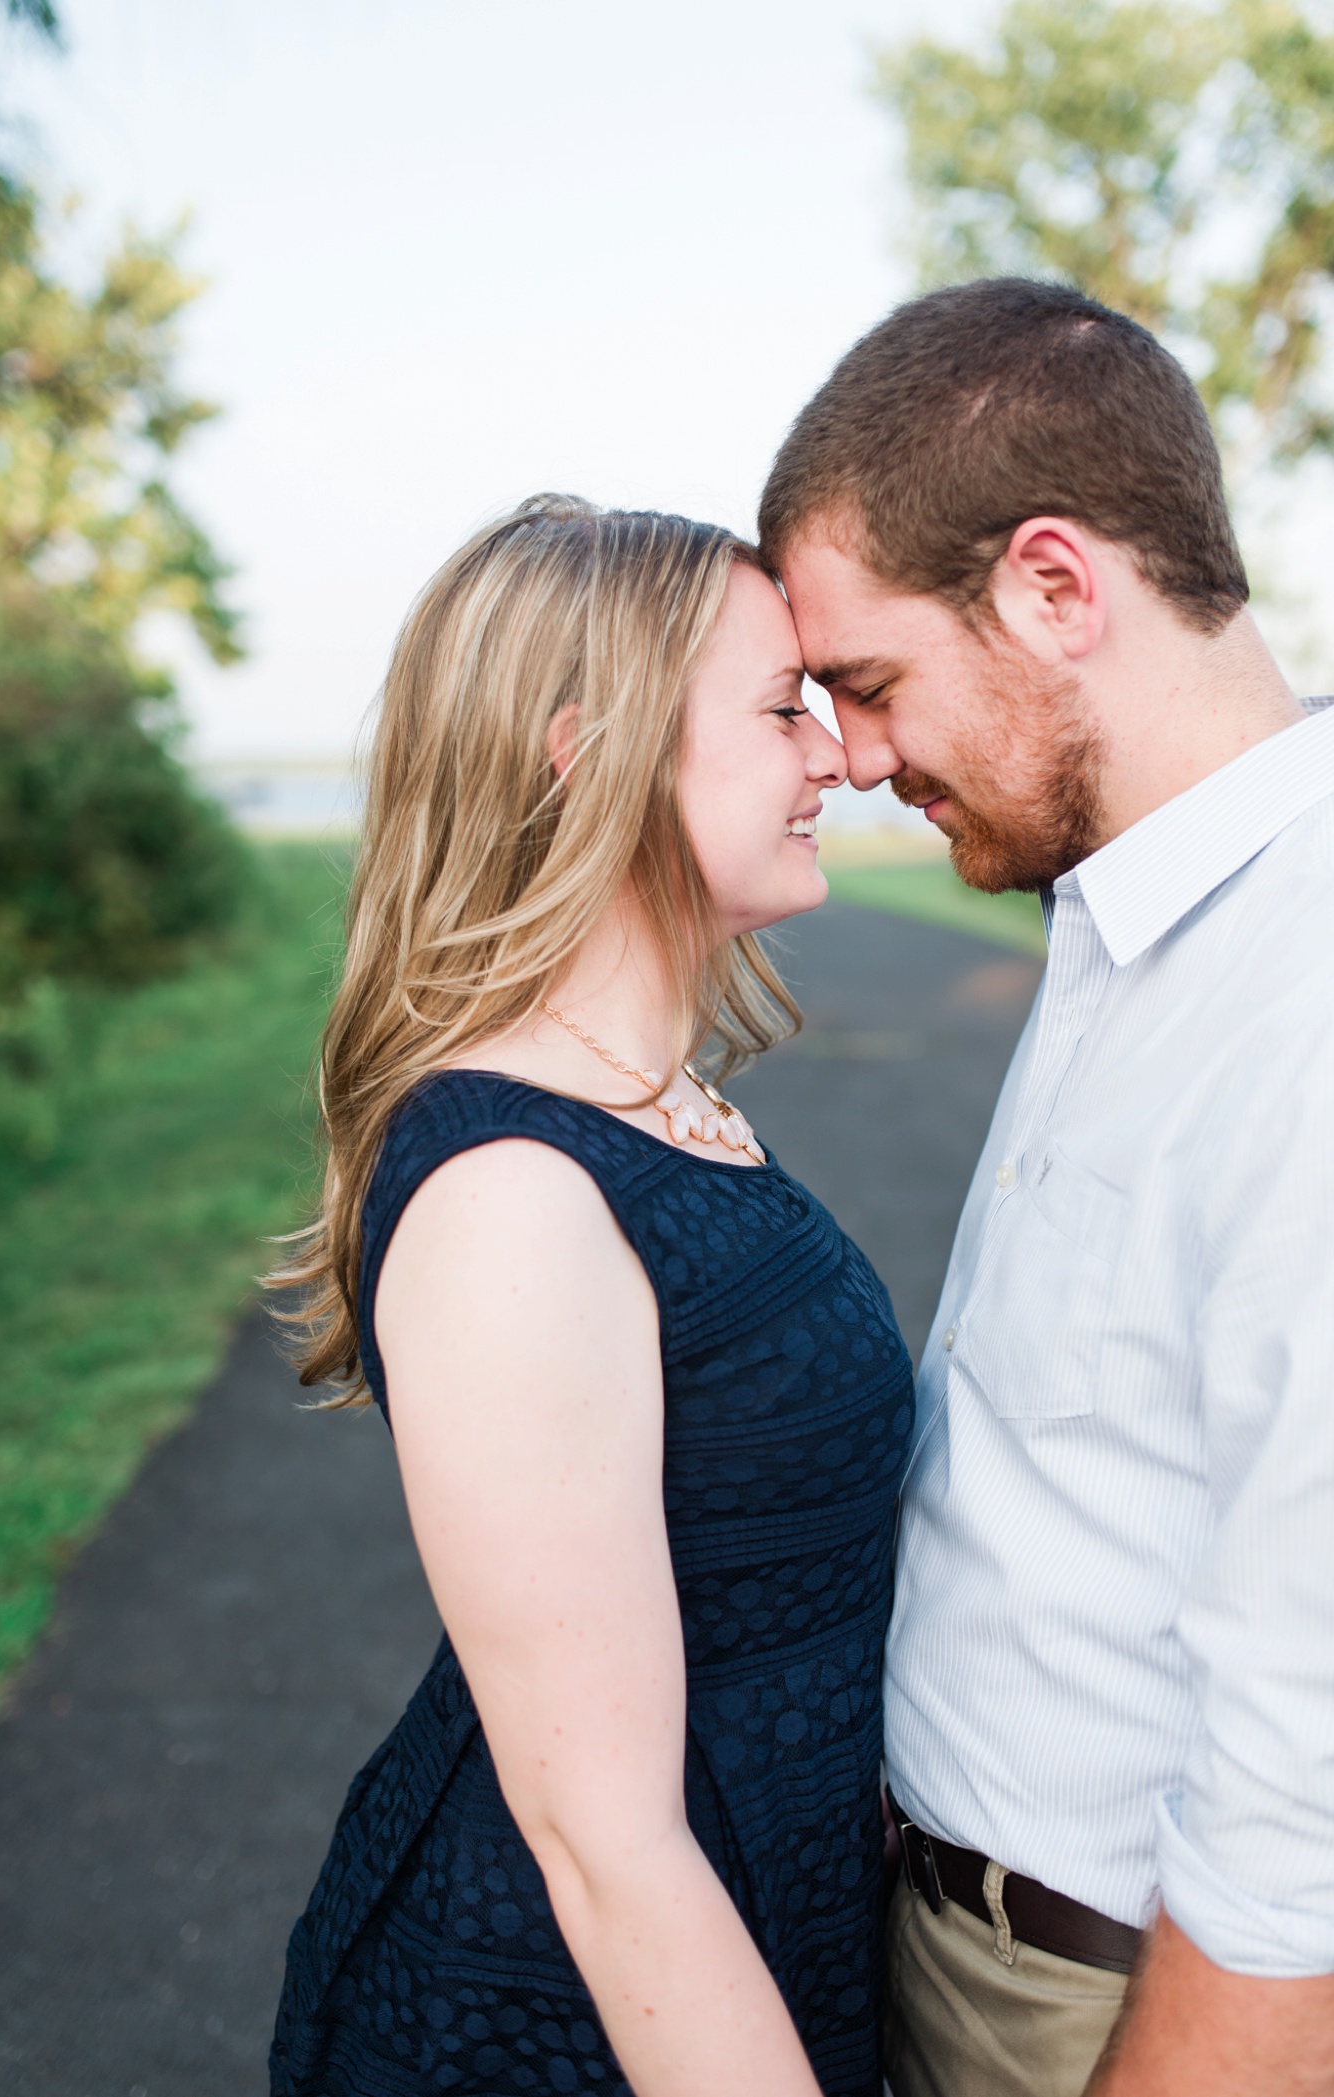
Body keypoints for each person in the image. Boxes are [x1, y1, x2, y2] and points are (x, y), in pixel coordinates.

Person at [759, 277, 1334, 2097]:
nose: (848, 756)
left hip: (1105, 2013)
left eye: (869, 682)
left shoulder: (1303, 991)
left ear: (1055, 587)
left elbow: (1305, 1774)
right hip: (952, 1943)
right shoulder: (1124, 902)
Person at [267, 495, 914, 2097]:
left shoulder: (655, 1101)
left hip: (760, 1943)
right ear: (587, 751)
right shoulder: (515, 1197)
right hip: (565, 2022)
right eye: (780, 709)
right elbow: (604, 1841)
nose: (836, 755)